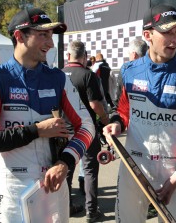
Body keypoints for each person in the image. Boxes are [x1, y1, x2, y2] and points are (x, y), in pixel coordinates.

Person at [0, 8, 95, 222]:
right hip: (13, 187)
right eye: (43, 35)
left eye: (51, 36)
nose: (50, 43)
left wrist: (65, 162)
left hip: (54, 185)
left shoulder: (58, 78)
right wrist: (36, 131)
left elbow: (87, 127)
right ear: (19, 36)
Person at [103, 4, 176, 222]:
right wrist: (116, 124)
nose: (174, 40)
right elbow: (124, 111)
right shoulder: (129, 71)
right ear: (148, 35)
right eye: (166, 32)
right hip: (133, 169)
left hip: (174, 174)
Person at [63, 40, 109, 222]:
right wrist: (105, 120)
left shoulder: (58, 74)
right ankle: (91, 211)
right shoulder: (87, 75)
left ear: (68, 56)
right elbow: (95, 104)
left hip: (65, 130)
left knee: (67, 168)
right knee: (90, 169)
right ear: (84, 56)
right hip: (86, 130)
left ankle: (66, 206)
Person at [113, 38, 148, 109]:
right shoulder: (154, 68)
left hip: (130, 113)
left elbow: (120, 97)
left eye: (129, 54)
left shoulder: (126, 70)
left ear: (134, 54)